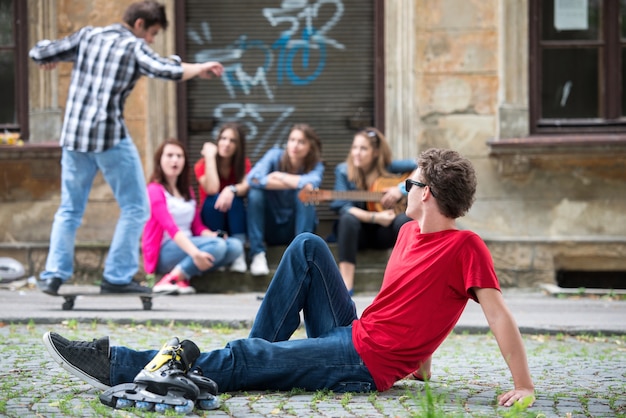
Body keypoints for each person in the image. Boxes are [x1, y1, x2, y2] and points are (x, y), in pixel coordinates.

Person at [42, 148, 535, 408]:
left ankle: (116, 365)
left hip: (362, 363)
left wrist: (524, 385)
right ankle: (248, 363)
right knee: (306, 246)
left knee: (252, 355)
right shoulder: (409, 233)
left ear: (426, 193)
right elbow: (418, 305)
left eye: (411, 184)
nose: (404, 190)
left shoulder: (464, 247)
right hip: (355, 334)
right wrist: (420, 364)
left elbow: (498, 316)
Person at [30, 0, 225, 295]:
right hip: (109, 139)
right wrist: (199, 69)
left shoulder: (87, 36)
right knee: (136, 207)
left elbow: (40, 52)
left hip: (74, 138)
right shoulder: (134, 47)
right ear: (139, 25)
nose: (151, 40)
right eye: (153, 33)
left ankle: (54, 274)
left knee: (69, 208)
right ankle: (117, 276)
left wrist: (47, 58)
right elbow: (163, 69)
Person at [145, 139, 243, 294]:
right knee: (217, 246)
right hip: (165, 250)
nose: (174, 160)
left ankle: (182, 277)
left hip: (190, 243)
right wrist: (196, 253)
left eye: (179, 156)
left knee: (235, 246)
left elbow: (197, 226)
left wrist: (212, 235)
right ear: (160, 160)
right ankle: (169, 279)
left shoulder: (187, 191)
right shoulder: (154, 190)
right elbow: (171, 228)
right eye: (169, 155)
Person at [330, 127, 417, 294]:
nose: (357, 152)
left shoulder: (389, 167)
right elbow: (341, 206)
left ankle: (407, 279)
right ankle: (346, 285)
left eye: (363, 148)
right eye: (354, 147)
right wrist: (375, 217)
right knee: (347, 219)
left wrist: (400, 189)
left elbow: (422, 166)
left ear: (375, 152)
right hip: (358, 234)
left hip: (383, 234)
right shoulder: (343, 171)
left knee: (404, 220)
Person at [245, 123, 324, 276]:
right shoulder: (274, 155)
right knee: (255, 193)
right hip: (271, 225)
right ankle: (257, 255)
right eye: (292, 140)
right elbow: (253, 179)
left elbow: (312, 183)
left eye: (301, 142)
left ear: (310, 147)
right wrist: (293, 183)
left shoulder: (316, 165)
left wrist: (278, 176)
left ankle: (301, 256)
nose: (295, 145)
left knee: (305, 193)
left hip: (294, 227)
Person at [194, 123, 251, 273]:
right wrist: (210, 158)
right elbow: (211, 188)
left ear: (239, 146)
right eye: (223, 138)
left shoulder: (243, 163)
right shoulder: (202, 165)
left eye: (232, 141)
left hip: (234, 217)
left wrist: (231, 190)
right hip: (212, 218)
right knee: (213, 199)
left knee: (236, 199)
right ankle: (219, 250)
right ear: (217, 140)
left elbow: (246, 186)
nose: (226, 144)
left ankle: (239, 254)